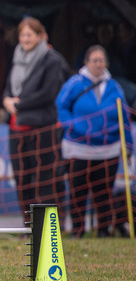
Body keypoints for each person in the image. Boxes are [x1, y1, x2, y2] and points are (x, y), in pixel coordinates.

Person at [56, 45, 132, 237]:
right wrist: (72, 125)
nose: (98, 64)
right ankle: (77, 230)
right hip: (78, 147)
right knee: (77, 191)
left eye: (101, 60)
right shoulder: (74, 83)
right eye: (94, 60)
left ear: (106, 63)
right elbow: (61, 106)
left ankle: (104, 230)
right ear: (86, 62)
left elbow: (124, 117)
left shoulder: (115, 86)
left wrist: (128, 144)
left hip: (109, 148)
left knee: (104, 191)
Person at [3, 17, 70, 214]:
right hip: (17, 129)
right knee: (22, 180)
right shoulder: (16, 57)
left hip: (43, 128)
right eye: (22, 35)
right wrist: (6, 100)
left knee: (44, 180)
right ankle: (29, 227)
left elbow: (49, 93)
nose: (25, 39)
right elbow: (8, 87)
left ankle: (47, 231)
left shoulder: (52, 59)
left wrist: (20, 105)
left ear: (40, 36)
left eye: (29, 35)